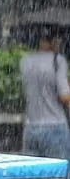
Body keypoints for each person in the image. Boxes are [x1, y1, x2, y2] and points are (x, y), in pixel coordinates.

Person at [19, 29, 70, 160]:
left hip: (31, 127)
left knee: (33, 174)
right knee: (59, 175)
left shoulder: (25, 61)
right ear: (53, 41)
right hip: (55, 127)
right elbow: (64, 97)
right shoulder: (57, 61)